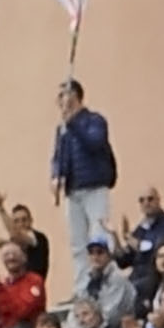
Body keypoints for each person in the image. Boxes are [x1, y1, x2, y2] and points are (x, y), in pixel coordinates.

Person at [48, 78, 116, 263]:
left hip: (94, 187)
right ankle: (82, 286)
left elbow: (94, 143)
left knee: (99, 235)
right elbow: (59, 157)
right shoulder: (62, 129)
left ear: (75, 96)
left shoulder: (95, 120)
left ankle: (103, 279)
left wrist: (74, 123)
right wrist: (56, 176)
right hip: (73, 190)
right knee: (77, 243)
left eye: (64, 95)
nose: (60, 101)